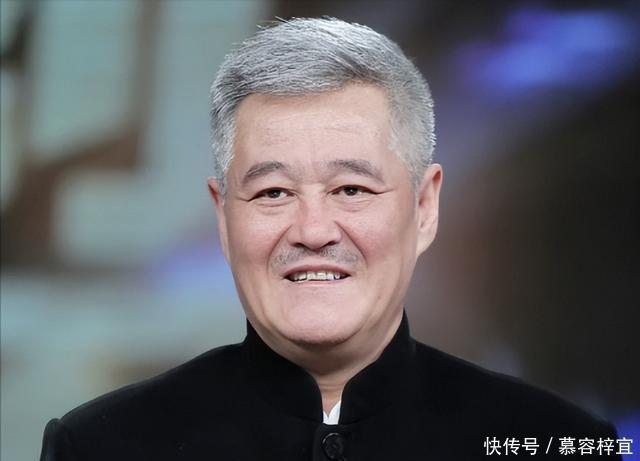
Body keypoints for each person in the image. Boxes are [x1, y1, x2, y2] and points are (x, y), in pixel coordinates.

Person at [40, 17, 620, 461]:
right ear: (223, 216)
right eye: (273, 192)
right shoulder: (100, 445)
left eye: (351, 189)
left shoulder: (556, 442)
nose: (313, 231)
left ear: (424, 207)